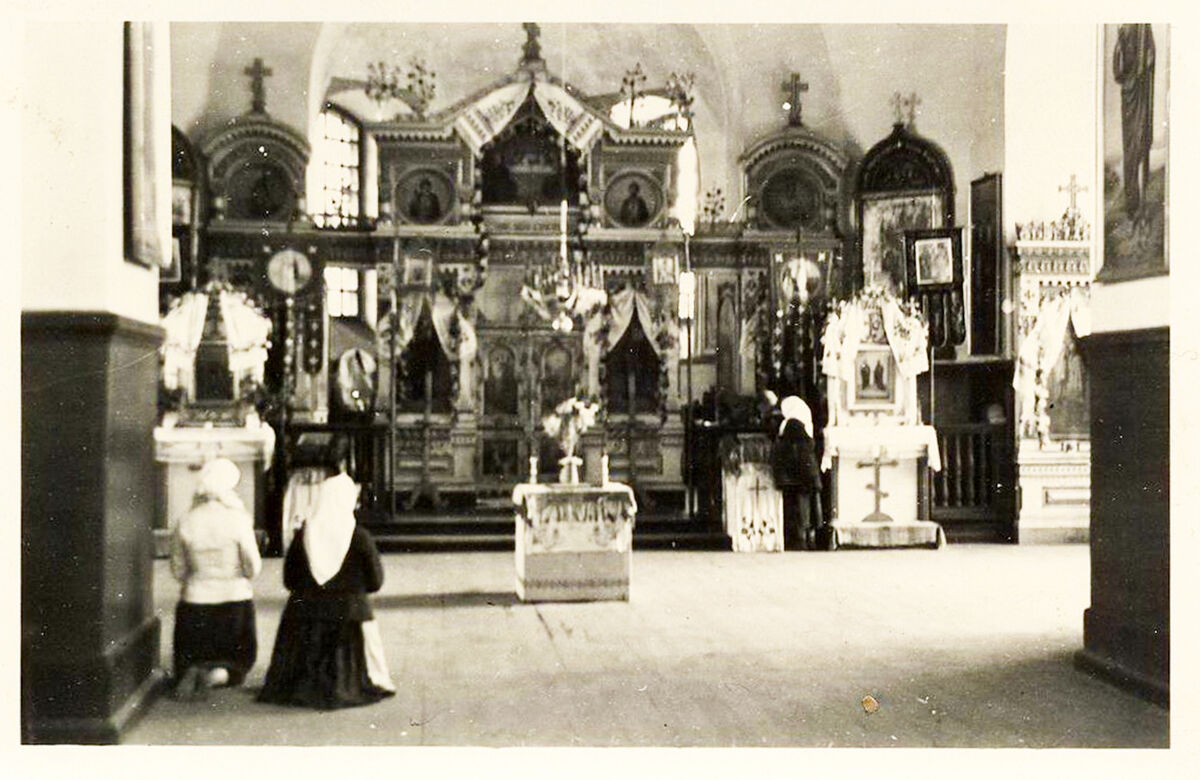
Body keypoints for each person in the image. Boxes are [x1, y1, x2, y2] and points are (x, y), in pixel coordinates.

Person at [258, 437, 396, 709]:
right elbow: (376, 582)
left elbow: (289, 580)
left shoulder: (303, 535)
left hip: (304, 616)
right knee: (360, 609)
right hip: (349, 616)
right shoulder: (360, 537)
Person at [170, 458, 262, 700]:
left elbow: (178, 570)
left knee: (193, 652)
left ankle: (194, 669)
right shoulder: (238, 520)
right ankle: (217, 676)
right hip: (234, 600)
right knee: (238, 660)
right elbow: (253, 566)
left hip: (195, 602)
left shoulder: (186, 520)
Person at [1113, 24, 1155, 219]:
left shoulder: (1143, 28)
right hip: (1130, 94)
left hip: (1139, 92)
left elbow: (1150, 56)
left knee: (1139, 145)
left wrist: (1142, 71)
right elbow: (1118, 68)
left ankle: (1138, 201)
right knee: (1130, 147)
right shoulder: (1125, 31)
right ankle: (1132, 200)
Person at [771, 395, 823, 551]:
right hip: (808, 470)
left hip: (796, 471)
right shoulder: (805, 421)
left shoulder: (791, 424)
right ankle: (809, 537)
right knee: (808, 504)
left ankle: (800, 538)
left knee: (800, 507)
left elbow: (784, 447)